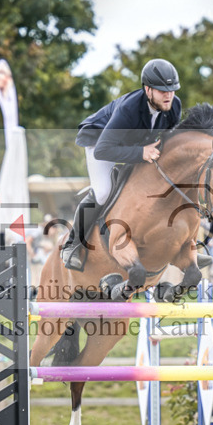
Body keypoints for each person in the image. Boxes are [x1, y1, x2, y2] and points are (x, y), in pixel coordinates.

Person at [60, 58, 182, 270]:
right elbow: (103, 150)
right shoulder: (129, 109)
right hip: (100, 142)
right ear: (147, 90)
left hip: (133, 144)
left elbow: (168, 141)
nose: (168, 95)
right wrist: (141, 152)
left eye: (172, 90)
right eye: (162, 90)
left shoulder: (174, 106)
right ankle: (72, 244)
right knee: (103, 192)